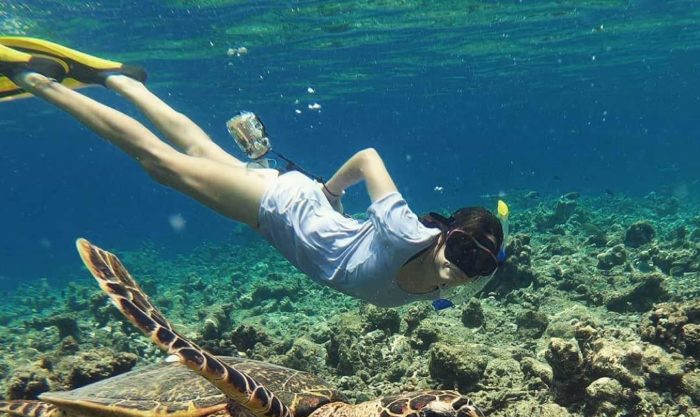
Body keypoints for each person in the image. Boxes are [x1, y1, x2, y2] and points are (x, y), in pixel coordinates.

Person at [0, 37, 506, 308]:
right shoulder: (406, 232)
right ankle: (33, 79)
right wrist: (329, 192)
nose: (462, 269)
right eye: (462, 251)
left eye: (478, 267)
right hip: (280, 207)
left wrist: (328, 204)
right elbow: (370, 156)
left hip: (282, 215)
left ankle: (118, 79)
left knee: (195, 145)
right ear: (445, 235)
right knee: (162, 165)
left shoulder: (442, 288)